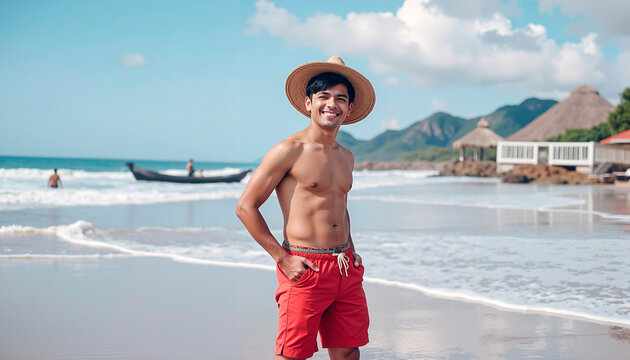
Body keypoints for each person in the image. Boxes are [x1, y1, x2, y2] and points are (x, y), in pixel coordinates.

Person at [236, 56, 375, 360]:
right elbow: (246, 207)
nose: (332, 104)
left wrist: (352, 248)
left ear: (349, 108)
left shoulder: (346, 156)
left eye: (341, 98)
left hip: (344, 266)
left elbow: (339, 206)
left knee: (348, 352)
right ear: (308, 102)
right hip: (305, 267)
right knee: (293, 354)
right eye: (324, 96)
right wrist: (282, 258)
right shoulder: (289, 150)